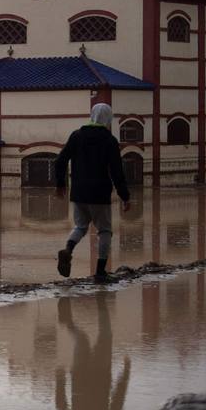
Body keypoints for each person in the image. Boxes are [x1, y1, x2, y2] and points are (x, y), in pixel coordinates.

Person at [54, 102, 131, 281]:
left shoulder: (76, 136)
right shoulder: (110, 141)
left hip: (78, 192)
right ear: (108, 119)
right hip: (100, 193)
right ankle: (100, 272)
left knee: (80, 226)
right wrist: (125, 196)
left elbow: (60, 160)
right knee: (104, 231)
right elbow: (117, 172)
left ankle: (68, 249)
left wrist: (60, 184)